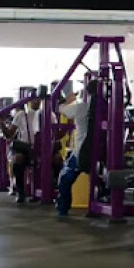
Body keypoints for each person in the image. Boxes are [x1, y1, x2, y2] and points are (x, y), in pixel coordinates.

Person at [55, 83, 92, 216]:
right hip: (102, 151)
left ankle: (62, 209)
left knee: (64, 178)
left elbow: (61, 109)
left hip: (82, 151)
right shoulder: (108, 108)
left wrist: (68, 99)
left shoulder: (80, 107)